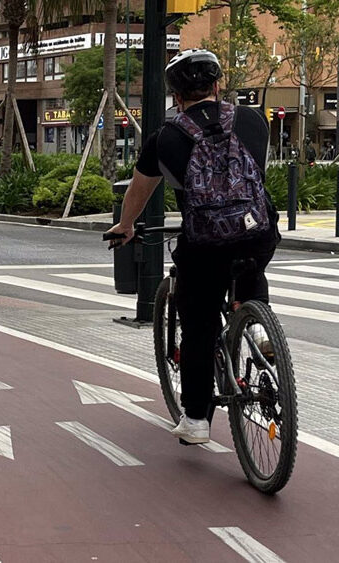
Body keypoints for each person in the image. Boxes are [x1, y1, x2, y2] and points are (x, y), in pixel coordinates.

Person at [104, 49, 280, 445]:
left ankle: (197, 419)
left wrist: (126, 226)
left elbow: (139, 191)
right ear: (217, 85)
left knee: (199, 323)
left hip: (205, 244)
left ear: (176, 95)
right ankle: (257, 322)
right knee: (251, 260)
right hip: (256, 231)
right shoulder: (253, 120)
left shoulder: (165, 138)